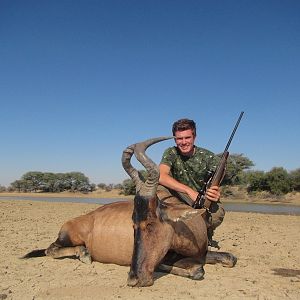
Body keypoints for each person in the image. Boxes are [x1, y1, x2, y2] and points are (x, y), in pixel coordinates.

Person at [157, 118, 225, 247]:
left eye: (187, 138)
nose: (183, 142)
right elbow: (161, 175)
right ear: (174, 139)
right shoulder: (171, 152)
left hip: (201, 200)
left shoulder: (209, 157)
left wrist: (215, 194)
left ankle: (206, 232)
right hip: (179, 197)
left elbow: (216, 185)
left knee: (217, 214)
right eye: (179, 139)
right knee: (158, 188)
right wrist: (189, 191)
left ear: (194, 137)